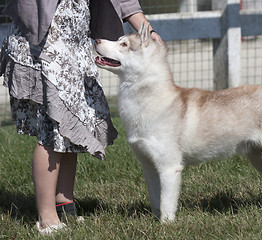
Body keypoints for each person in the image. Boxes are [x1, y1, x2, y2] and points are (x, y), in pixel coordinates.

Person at [0, 0, 162, 235]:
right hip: (44, 44)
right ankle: (47, 218)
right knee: (52, 130)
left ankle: (65, 204)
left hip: (73, 45)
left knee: (72, 126)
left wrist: (148, 30)